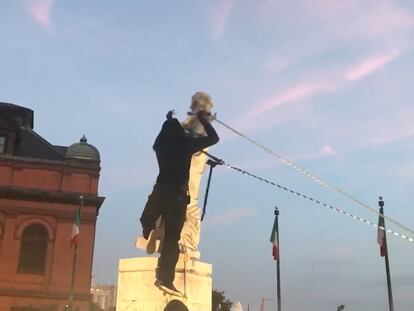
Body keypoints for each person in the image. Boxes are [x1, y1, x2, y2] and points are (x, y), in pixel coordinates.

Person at [140, 109, 219, 296]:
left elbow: (168, 133)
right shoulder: (185, 145)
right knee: (171, 239)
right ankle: (165, 278)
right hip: (177, 197)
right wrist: (202, 119)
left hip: (159, 192)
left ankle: (148, 227)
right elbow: (214, 138)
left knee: (149, 216)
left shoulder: (159, 146)